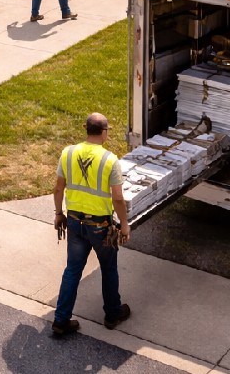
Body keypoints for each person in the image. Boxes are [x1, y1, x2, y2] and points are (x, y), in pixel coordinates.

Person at [51, 112, 132, 337]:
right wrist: (124, 224)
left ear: (85, 128)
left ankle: (60, 320)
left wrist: (59, 213)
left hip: (75, 223)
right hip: (101, 227)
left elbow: (58, 188)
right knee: (108, 268)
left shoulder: (67, 153)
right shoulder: (109, 160)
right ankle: (112, 314)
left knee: (72, 270)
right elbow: (117, 198)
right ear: (104, 132)